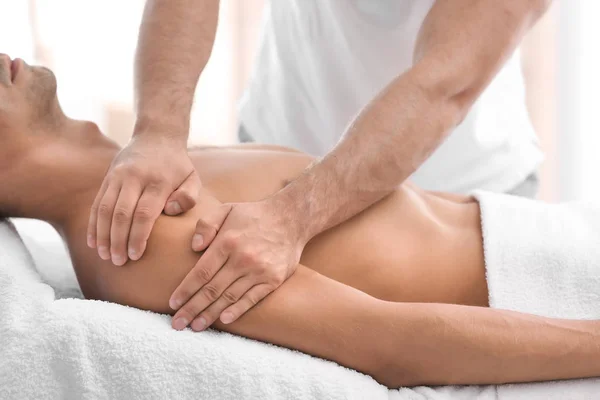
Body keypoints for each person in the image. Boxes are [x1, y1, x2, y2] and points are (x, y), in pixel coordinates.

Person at [3, 56, 600, 389]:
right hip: (556, 300)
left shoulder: (149, 170)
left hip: (552, 241)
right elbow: (389, 343)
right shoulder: (129, 235)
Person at [86, 0, 553, 330]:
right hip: (277, 138)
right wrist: (158, 130)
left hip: (456, 182)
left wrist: (294, 217)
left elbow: (445, 81)